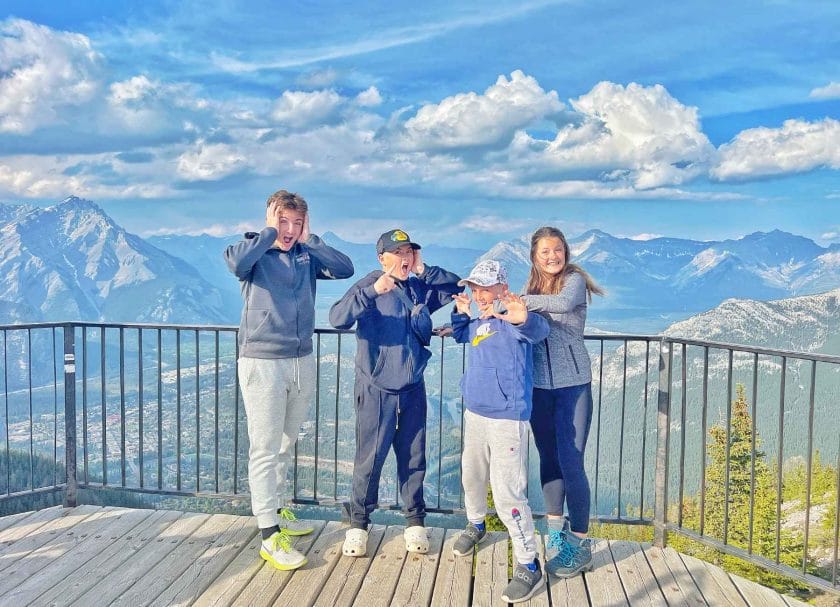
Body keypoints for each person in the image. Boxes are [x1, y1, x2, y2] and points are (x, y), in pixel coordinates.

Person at [224, 190, 354, 571]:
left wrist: (310, 240)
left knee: (285, 442)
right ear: (270, 218)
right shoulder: (252, 252)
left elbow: (345, 268)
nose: (290, 229)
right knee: (264, 448)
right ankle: (268, 536)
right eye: (284, 221)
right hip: (263, 361)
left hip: (301, 359)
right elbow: (235, 264)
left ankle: (278, 513)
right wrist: (268, 233)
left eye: (297, 223)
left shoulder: (305, 254)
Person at [329, 228, 462, 557]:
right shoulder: (369, 285)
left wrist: (423, 270)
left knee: (414, 456)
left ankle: (415, 520)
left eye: (409, 252)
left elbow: (457, 287)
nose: (404, 257)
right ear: (381, 257)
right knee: (369, 459)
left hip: (412, 387)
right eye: (398, 252)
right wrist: (373, 292)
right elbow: (337, 318)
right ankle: (358, 524)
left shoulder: (419, 286)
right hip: (375, 390)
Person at [449, 259, 550, 604]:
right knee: (471, 476)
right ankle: (476, 524)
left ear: (503, 289)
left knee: (508, 491)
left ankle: (528, 562)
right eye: (475, 288)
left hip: (508, 417)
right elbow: (463, 334)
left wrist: (517, 314)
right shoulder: (481, 319)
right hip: (476, 413)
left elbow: (537, 330)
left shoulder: (512, 319)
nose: (479, 294)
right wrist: (461, 313)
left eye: (485, 288)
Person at [521, 226, 604, 578]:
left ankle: (581, 544)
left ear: (565, 252)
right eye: (545, 252)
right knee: (549, 459)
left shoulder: (573, 281)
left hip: (573, 386)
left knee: (572, 461)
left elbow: (563, 305)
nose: (552, 256)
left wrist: (519, 302)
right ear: (534, 257)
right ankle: (556, 533)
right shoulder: (533, 289)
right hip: (541, 387)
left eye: (557, 250)